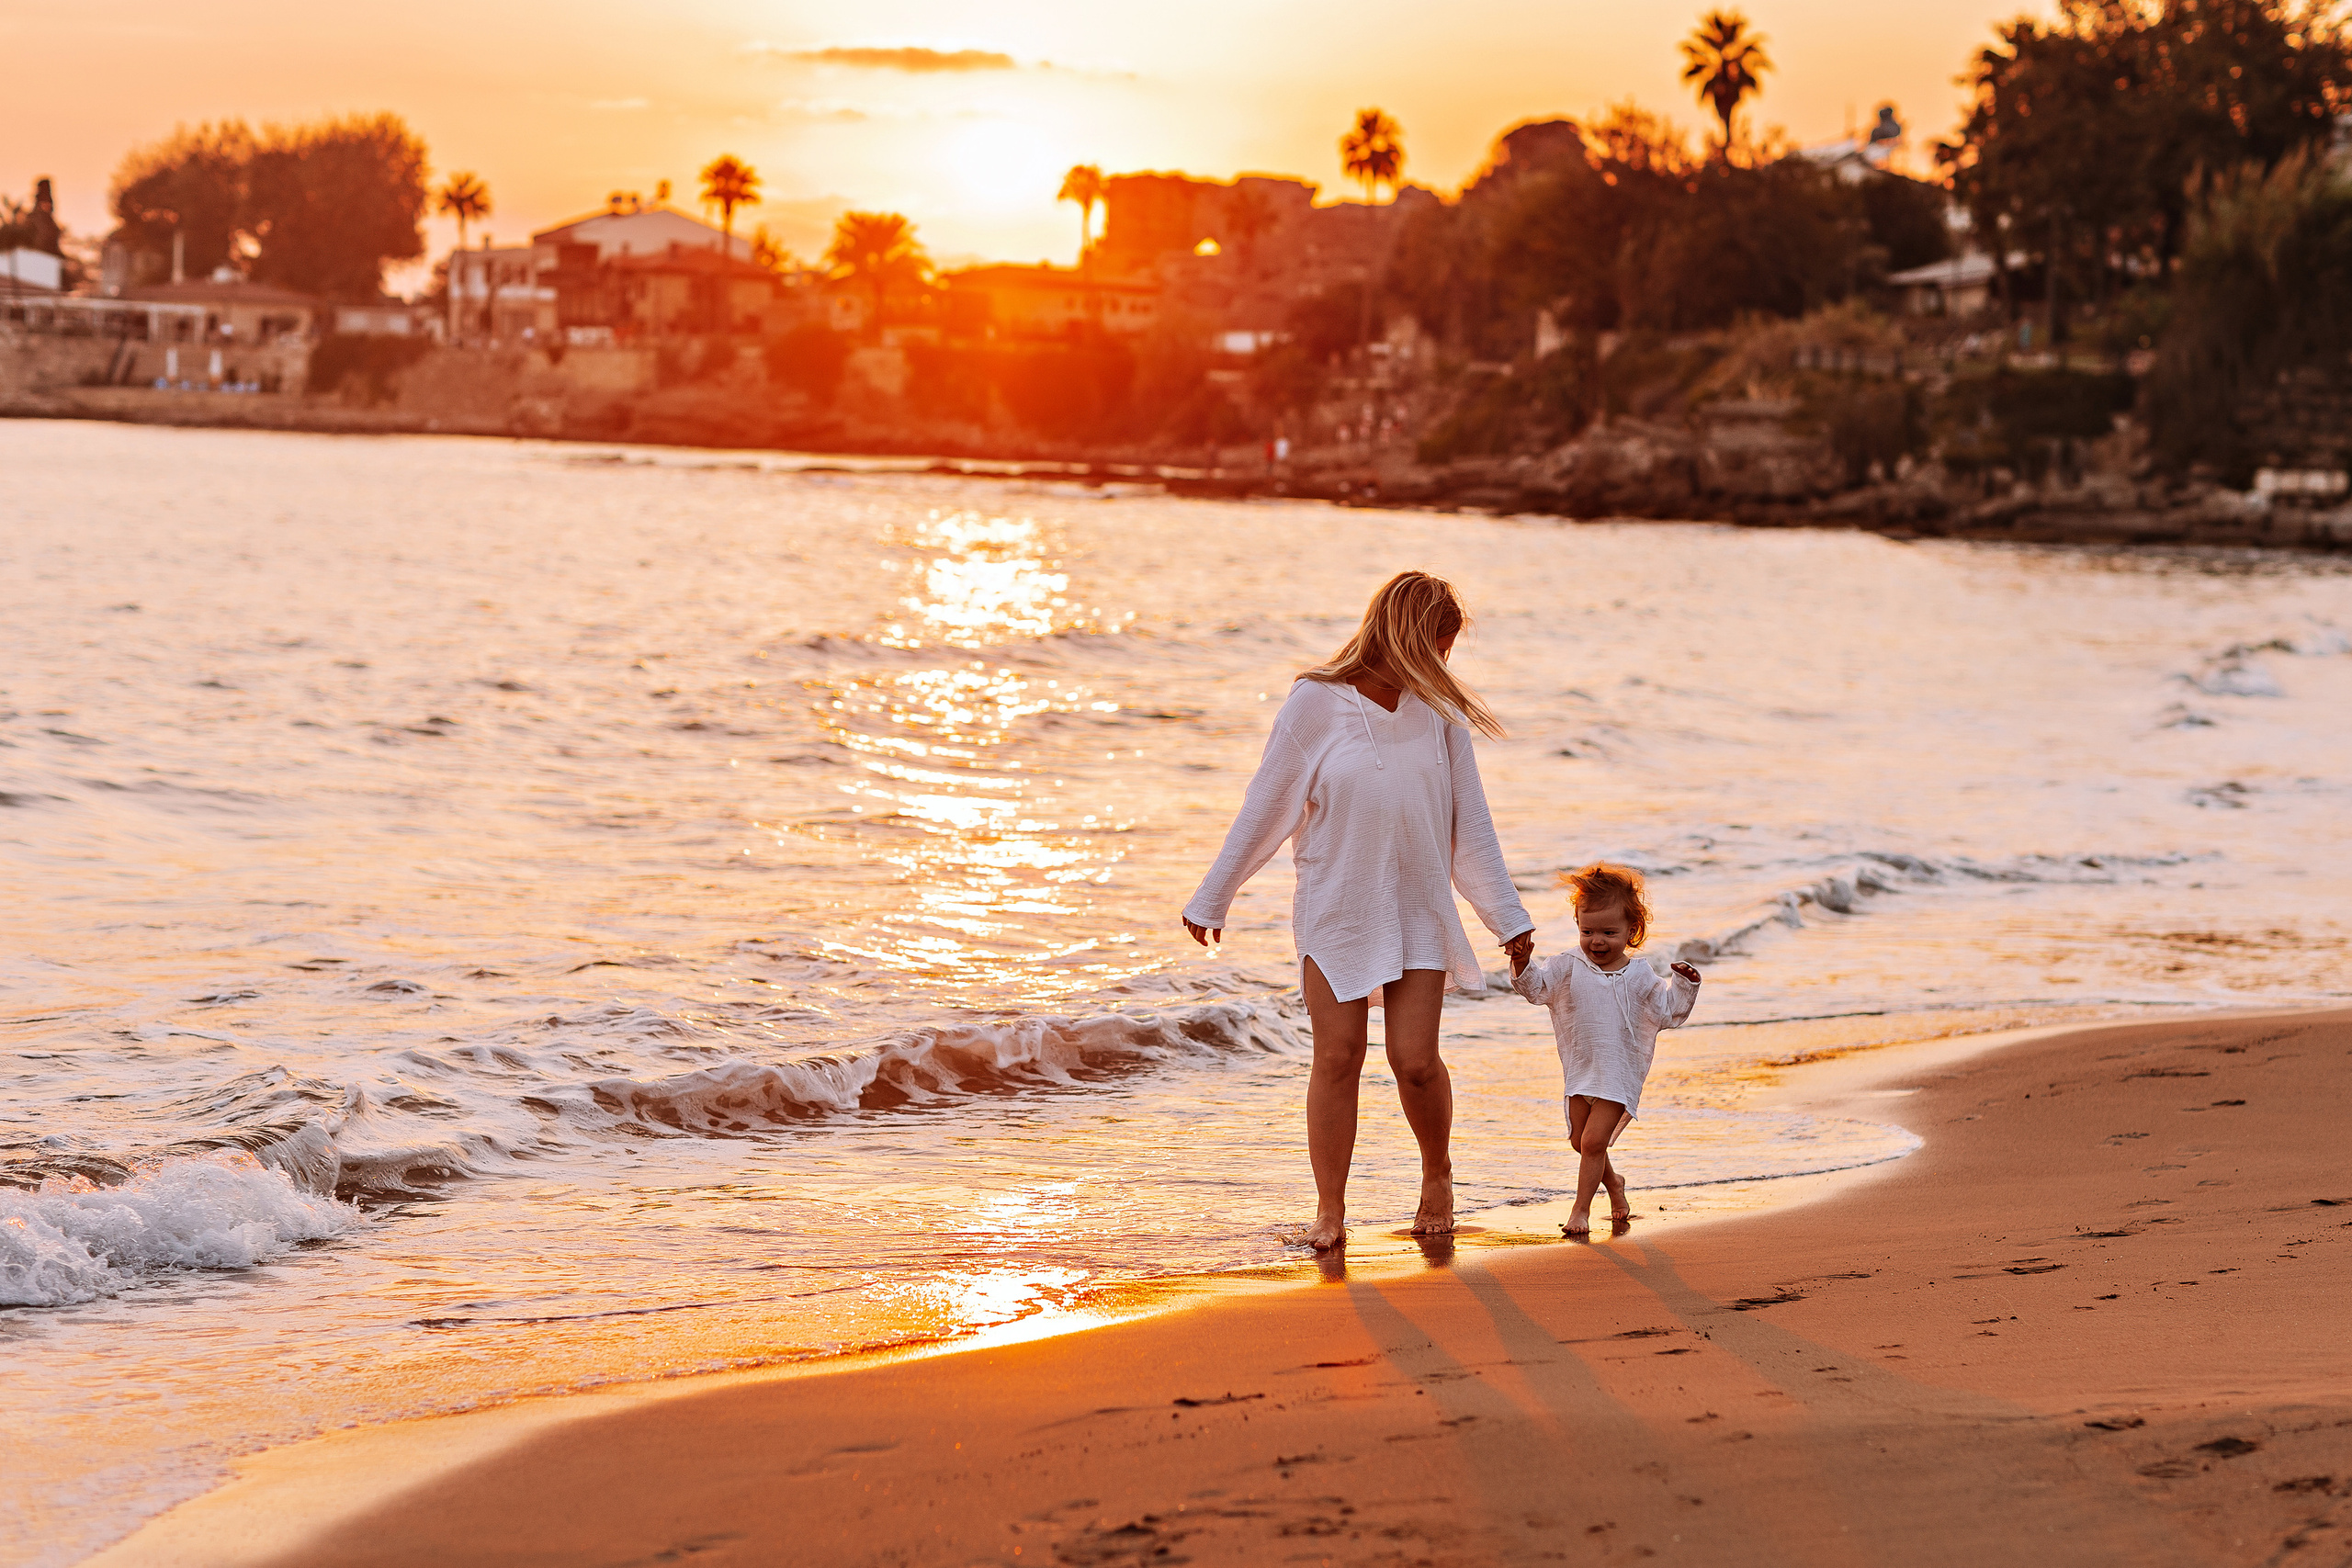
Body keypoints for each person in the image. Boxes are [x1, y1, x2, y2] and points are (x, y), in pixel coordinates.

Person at [1182, 571, 1534, 1249]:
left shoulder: (1440, 714)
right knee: (1338, 1056)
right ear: (1408, 637)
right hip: (1338, 907)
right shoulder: (1315, 704)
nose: (1446, 663)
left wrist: (1507, 917)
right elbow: (1266, 804)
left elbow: (1471, 828)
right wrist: (1214, 893)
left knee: (1416, 1060)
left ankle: (1437, 1174)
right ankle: (1330, 1211)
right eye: (1440, 646)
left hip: (1418, 906)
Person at [1510, 863, 1701, 1236]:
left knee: (1594, 1141)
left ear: (1633, 931)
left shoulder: (1641, 976)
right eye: (1587, 931)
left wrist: (1685, 985)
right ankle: (1615, 1185)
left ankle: (1580, 1210)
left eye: (1609, 933)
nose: (1596, 941)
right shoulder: (1566, 966)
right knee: (1579, 1142)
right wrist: (1521, 961)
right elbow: (1536, 989)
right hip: (1581, 1068)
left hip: (1619, 1072)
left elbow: (1668, 1012)